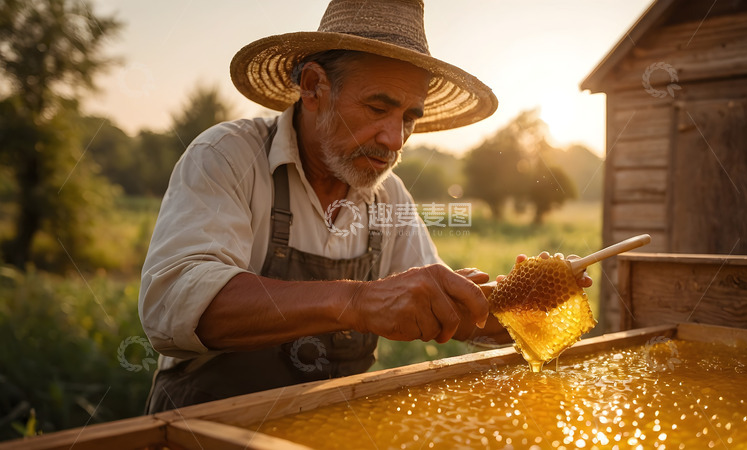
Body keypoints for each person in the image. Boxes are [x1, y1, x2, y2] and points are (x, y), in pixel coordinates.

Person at [139, 0, 591, 413]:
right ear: (314, 86)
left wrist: (514, 302)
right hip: (198, 434)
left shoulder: (388, 196)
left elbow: (441, 309)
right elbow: (172, 306)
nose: (395, 140)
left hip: (331, 434)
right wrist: (356, 300)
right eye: (378, 108)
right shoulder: (228, 157)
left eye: (409, 118)